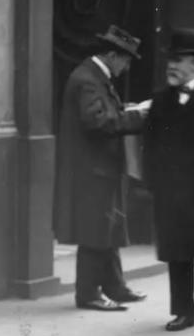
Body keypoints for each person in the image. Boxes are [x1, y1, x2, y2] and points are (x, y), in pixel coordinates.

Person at [53, 24, 150, 312]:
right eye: (126, 59)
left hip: (99, 169)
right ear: (111, 55)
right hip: (93, 170)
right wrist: (139, 116)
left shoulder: (93, 76)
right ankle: (89, 294)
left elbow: (104, 114)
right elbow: (98, 122)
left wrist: (131, 109)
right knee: (95, 232)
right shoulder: (89, 80)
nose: (127, 66)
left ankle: (114, 287)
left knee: (107, 229)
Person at [143, 28, 194, 331]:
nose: (171, 67)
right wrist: (153, 185)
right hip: (172, 194)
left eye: (179, 60)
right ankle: (183, 312)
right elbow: (149, 148)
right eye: (169, 61)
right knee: (178, 253)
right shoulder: (161, 101)